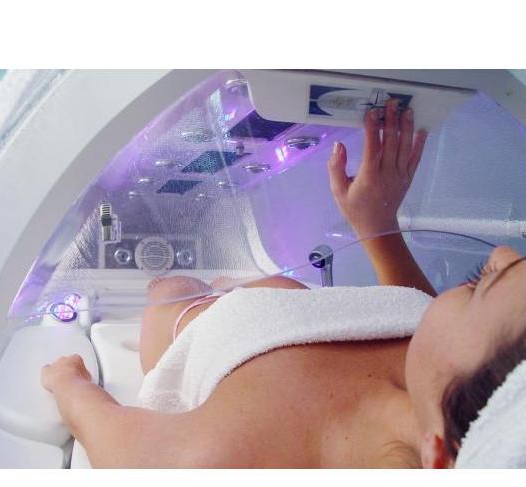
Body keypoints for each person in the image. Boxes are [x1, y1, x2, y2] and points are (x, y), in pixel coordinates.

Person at [41, 99, 526, 468]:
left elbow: (126, 451)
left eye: (476, 283)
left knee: (166, 290)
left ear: (440, 455)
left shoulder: (238, 454)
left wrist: (70, 385)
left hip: (195, 326)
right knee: (228, 279)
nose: (501, 252)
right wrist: (376, 223)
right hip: (280, 310)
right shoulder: (440, 384)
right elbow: (418, 311)